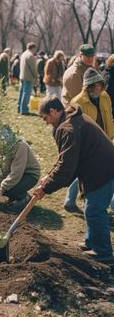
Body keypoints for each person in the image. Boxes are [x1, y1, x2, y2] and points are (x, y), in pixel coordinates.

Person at [33, 95, 114, 262]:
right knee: (90, 208)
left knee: (94, 210)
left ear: (54, 111)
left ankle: (103, 252)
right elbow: (64, 158)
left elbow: (67, 167)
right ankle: (91, 242)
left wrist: (46, 187)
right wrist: (49, 176)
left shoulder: (69, 128)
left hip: (103, 169)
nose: (46, 122)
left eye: (45, 117)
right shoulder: (71, 119)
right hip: (96, 167)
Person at [64, 68, 114, 212]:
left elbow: (109, 116)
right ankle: (77, 203)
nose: (98, 87)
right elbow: (73, 126)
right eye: (94, 85)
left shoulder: (105, 97)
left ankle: (94, 204)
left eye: (100, 84)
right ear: (87, 86)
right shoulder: (78, 102)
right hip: (88, 144)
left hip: (105, 139)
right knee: (84, 172)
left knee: (98, 172)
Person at [0, 130, 41, 211]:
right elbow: (4, 170)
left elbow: (17, 173)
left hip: (29, 175)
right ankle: (16, 195)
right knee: (4, 188)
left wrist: (1, 190)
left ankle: (24, 198)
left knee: (8, 189)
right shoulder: (3, 147)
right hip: (17, 174)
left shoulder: (20, 146)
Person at [17, 42, 38, 115]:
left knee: (21, 93)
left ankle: (19, 107)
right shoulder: (30, 55)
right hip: (28, 77)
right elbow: (33, 68)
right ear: (33, 48)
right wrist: (36, 76)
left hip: (22, 76)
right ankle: (24, 109)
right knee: (26, 94)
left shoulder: (23, 54)